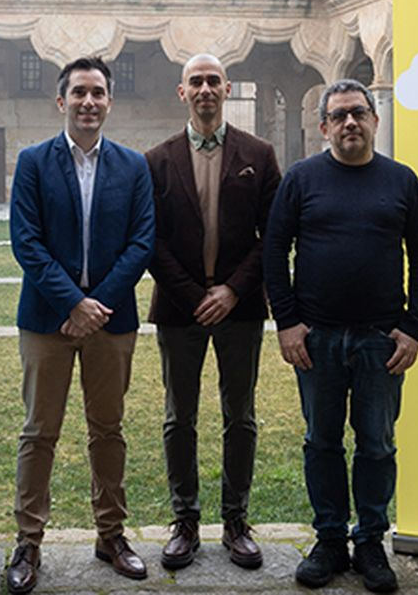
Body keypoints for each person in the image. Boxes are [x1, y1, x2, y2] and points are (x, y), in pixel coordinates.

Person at [262, 78, 418, 593]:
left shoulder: (403, 182)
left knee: (378, 445)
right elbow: (274, 252)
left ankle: (370, 542)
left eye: (358, 113)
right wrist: (288, 321)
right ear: (324, 127)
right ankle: (331, 540)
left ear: (375, 120)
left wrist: (413, 326)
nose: (350, 123)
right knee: (321, 442)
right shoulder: (300, 179)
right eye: (338, 116)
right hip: (316, 340)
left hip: (381, 340)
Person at [6, 56, 155, 594]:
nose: (88, 102)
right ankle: (28, 542)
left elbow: (142, 243)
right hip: (47, 319)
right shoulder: (33, 161)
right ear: (61, 100)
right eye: (79, 93)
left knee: (108, 431)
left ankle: (110, 534)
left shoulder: (133, 166)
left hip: (111, 322)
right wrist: (73, 302)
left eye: (98, 93)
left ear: (109, 102)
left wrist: (97, 305)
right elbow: (26, 240)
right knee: (38, 432)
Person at [144, 53, 281, 571]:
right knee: (180, 417)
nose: (205, 90)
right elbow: (151, 241)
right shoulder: (157, 159)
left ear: (227, 89)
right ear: (183, 92)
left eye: (212, 81)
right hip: (180, 311)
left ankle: (235, 521)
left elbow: (273, 237)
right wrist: (193, 294)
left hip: (240, 309)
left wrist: (229, 291)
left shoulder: (259, 155)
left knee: (239, 416)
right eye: (195, 82)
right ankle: (185, 522)